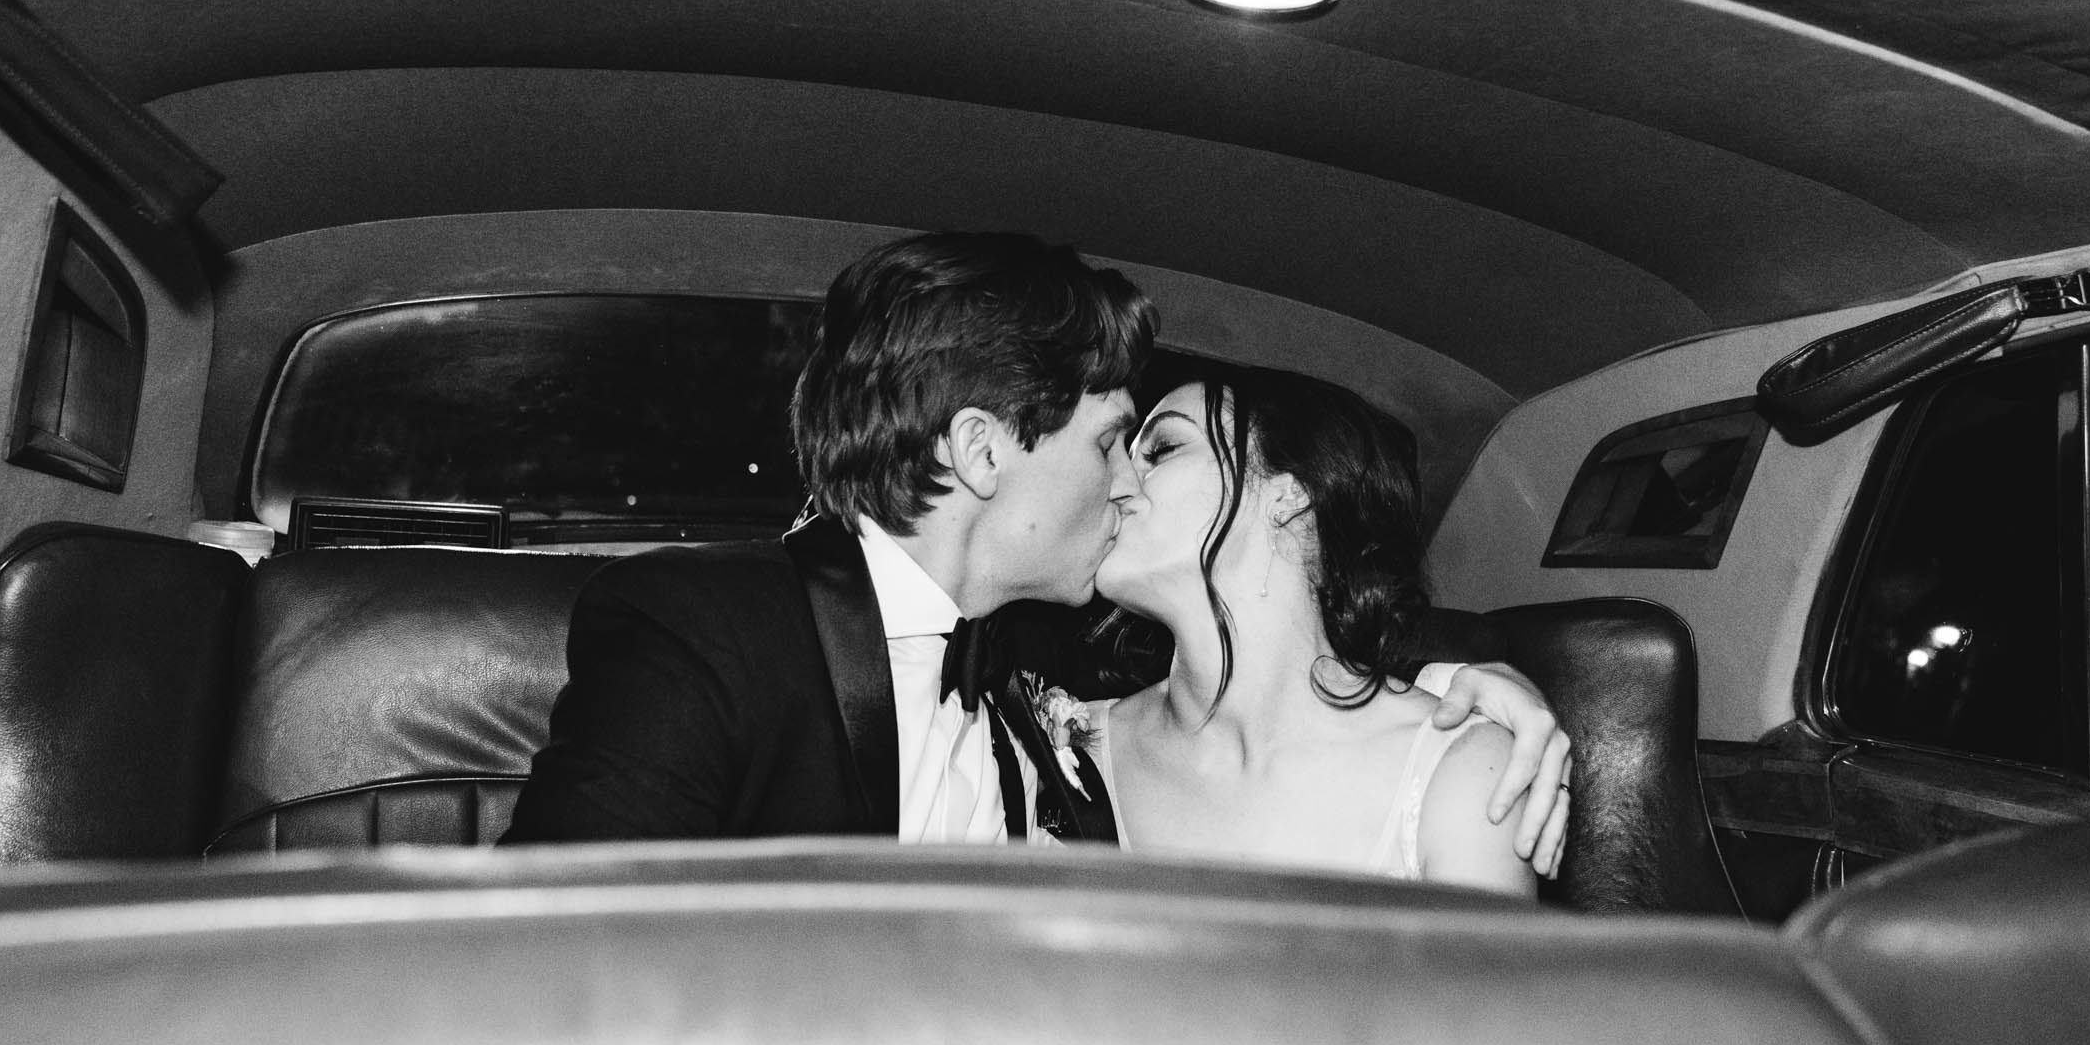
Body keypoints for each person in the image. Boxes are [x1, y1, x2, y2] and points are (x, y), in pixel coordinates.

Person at [501, 231, 1570, 863]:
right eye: (1112, 440)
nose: (1126, 482)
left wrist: (1458, 680)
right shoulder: (709, 634)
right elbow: (534, 974)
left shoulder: (1036, 684)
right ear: (981, 452)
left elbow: (1280, 674)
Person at [1085, 369, 1535, 894]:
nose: (1113, 481)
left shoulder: (1462, 776)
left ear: (1287, 496)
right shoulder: (1064, 748)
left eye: (1161, 449)